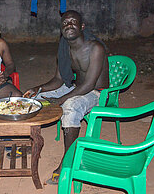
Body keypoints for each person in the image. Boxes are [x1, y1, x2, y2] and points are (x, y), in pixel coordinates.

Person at [23, 10, 109, 185]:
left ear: (82, 26)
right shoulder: (65, 47)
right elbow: (58, 80)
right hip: (76, 87)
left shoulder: (95, 48)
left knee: (70, 106)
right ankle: (27, 141)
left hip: (97, 92)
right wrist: (38, 88)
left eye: (73, 22)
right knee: (32, 98)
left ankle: (67, 161)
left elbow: (89, 85)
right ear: (61, 29)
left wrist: (60, 100)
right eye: (65, 23)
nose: (68, 25)